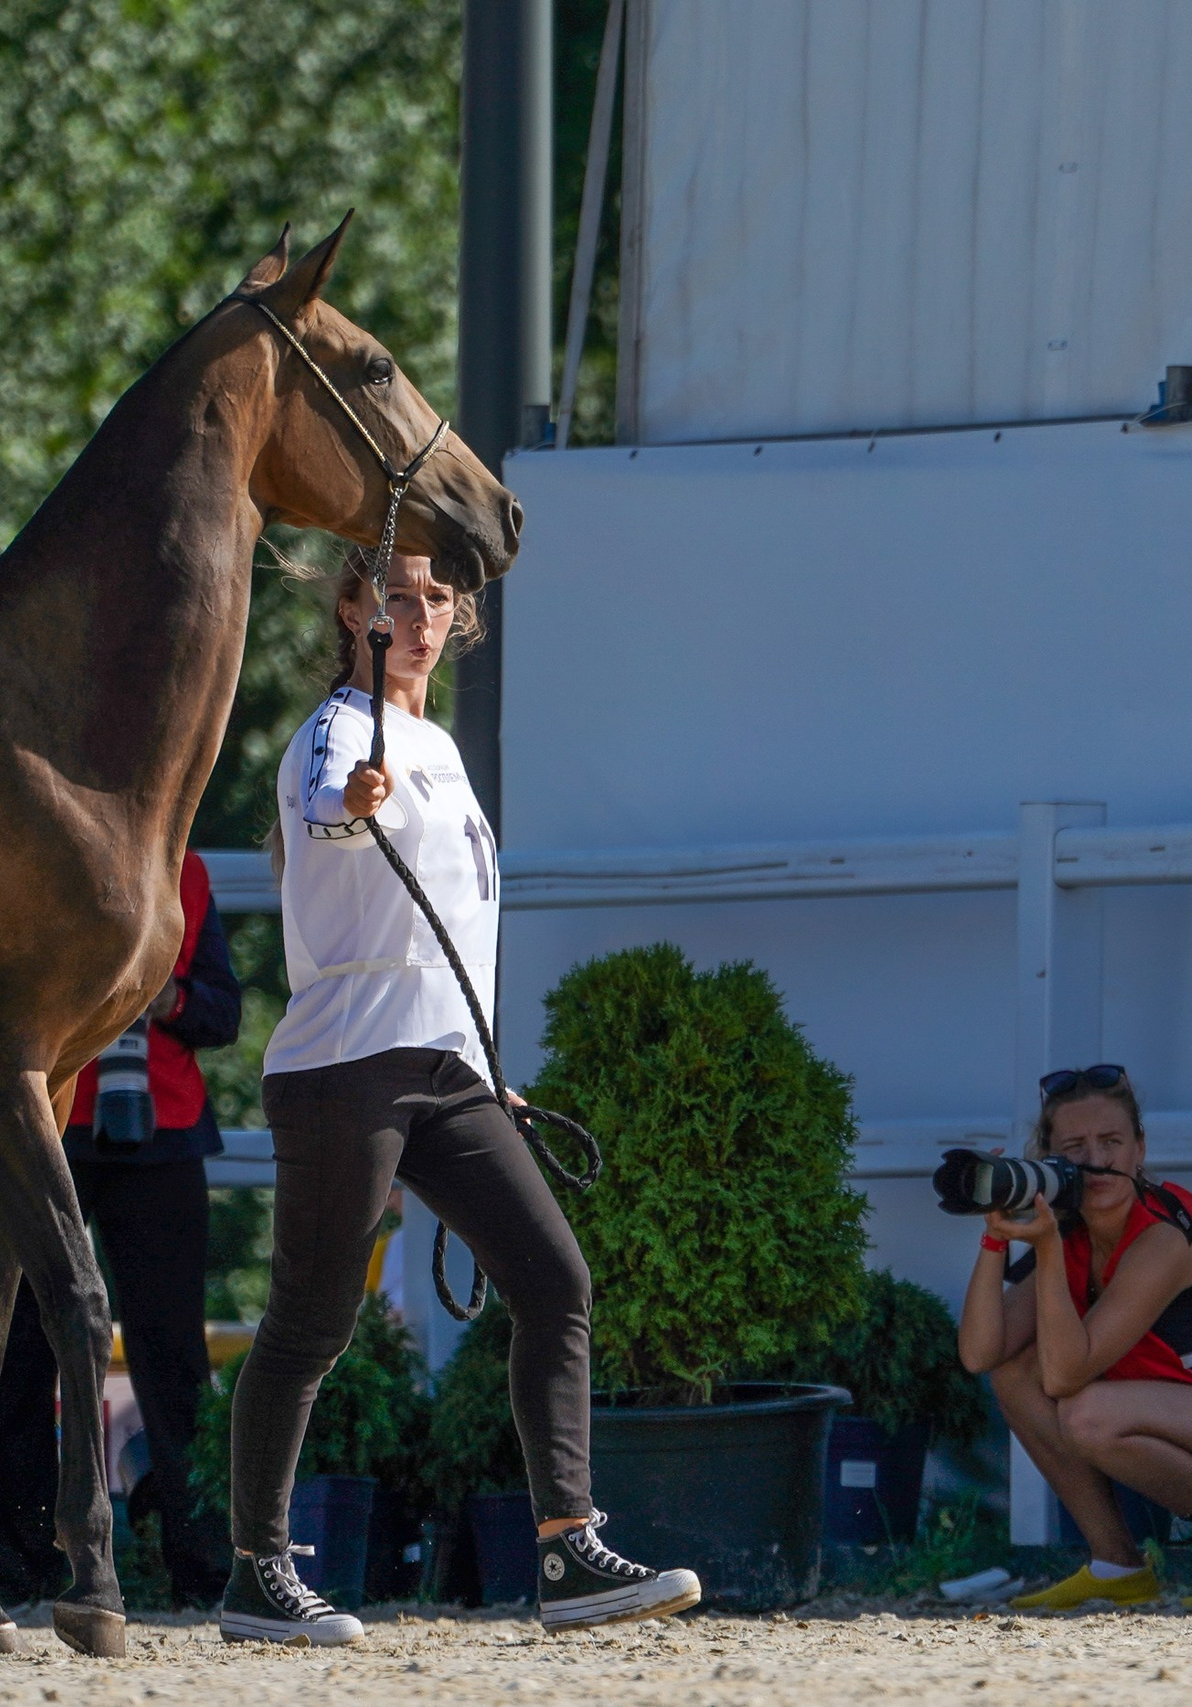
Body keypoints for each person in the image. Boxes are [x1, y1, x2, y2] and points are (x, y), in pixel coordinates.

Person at [223, 549, 701, 1645]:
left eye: (438, 598)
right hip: (347, 1065)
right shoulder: (338, 734)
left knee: (553, 1278)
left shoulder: (437, 745)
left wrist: (486, 1063)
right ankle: (255, 1569)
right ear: (352, 611)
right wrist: (355, 802)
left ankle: (569, 1550)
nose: (420, 615)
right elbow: (330, 807)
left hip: (450, 1070)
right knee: (312, 1319)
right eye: (395, 595)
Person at [0, 851, 241, 1609]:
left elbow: (222, 1010)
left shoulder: (184, 870)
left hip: (164, 1130)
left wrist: (166, 1001)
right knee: (25, 1346)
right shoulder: (44, 852)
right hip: (56, 1121)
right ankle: (17, 1565)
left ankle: (196, 1565)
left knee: (173, 1355)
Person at [958, 1064, 1192, 1610]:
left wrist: (1049, 1248)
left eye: (1112, 1141)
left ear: (1139, 1149)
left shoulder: (1163, 1238)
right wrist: (994, 1238)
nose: (1097, 1160)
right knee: (1014, 1374)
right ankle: (1116, 1563)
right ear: (1049, 1158)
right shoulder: (1074, 1231)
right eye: (1075, 1146)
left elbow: (1066, 1375)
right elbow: (981, 1353)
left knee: (1089, 1413)